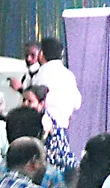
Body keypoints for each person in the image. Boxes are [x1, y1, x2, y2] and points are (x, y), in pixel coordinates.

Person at [30, 37, 81, 170]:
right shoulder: (68, 75)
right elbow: (77, 103)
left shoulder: (39, 76)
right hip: (63, 131)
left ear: (41, 54)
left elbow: (33, 99)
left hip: (43, 131)